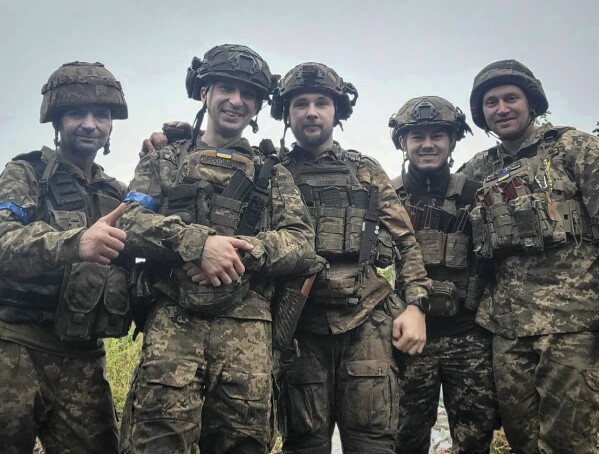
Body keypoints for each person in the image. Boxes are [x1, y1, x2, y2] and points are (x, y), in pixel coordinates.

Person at [117, 44, 315, 454]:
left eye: (248, 94)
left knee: (243, 445)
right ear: (204, 92)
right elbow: (129, 222)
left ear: (259, 105)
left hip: (248, 333)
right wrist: (197, 243)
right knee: (156, 442)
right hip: (173, 323)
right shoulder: (163, 161)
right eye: (226, 87)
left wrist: (240, 253)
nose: (236, 100)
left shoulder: (274, 174)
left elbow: (300, 241)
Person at [268, 62, 431, 454]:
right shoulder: (271, 172)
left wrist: (416, 306)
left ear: (336, 112)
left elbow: (406, 242)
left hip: (367, 321)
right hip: (299, 327)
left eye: (321, 103)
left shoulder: (366, 171)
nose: (311, 111)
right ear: (286, 114)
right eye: (301, 104)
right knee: (304, 443)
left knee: (373, 442)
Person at [459, 59, 599, 453]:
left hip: (572, 324)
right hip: (507, 330)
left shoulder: (575, 148)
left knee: (569, 441)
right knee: (523, 439)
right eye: (491, 102)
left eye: (510, 98)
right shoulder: (478, 169)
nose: (501, 108)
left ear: (532, 102)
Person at [0, 61, 131, 454]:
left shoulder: (118, 192)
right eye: (76, 113)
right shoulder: (26, 173)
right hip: (14, 350)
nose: (90, 124)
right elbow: (3, 239)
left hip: (83, 359)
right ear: (57, 120)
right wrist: (76, 243)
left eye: (101, 115)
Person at [388, 96, 499, 453]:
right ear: (402, 143)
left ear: (452, 141)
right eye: (417, 136)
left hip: (468, 338)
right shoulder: (387, 197)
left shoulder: (474, 194)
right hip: (407, 340)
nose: (427, 144)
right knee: (404, 439)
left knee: (474, 440)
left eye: (438, 135)